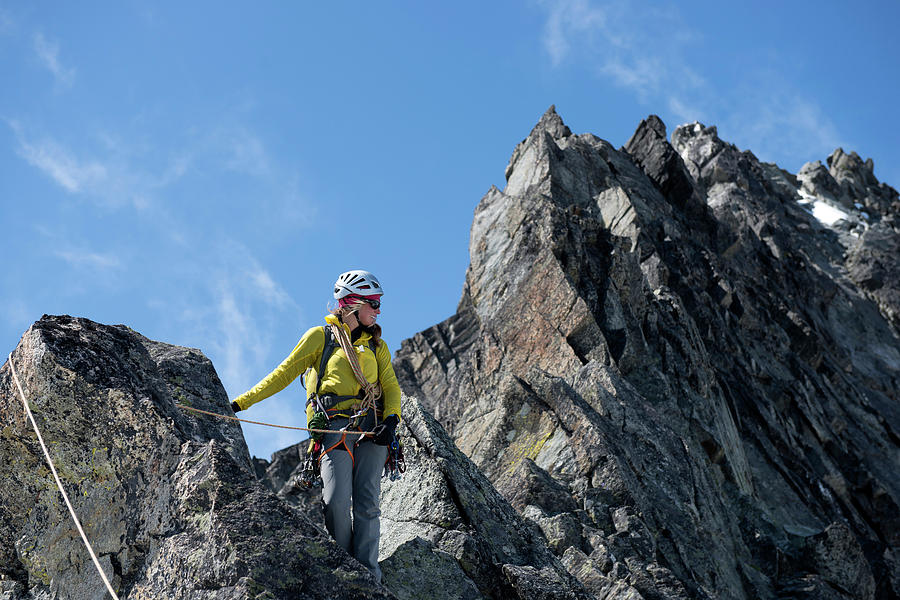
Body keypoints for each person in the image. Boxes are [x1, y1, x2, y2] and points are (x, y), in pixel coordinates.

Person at [230, 269, 401, 581]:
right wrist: (241, 403)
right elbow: (282, 374)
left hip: (373, 427)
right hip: (334, 427)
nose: (378, 310)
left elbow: (390, 386)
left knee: (368, 503)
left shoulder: (378, 347)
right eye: (373, 303)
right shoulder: (319, 338)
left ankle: (368, 575)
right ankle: (350, 570)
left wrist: (392, 418)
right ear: (352, 303)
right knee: (336, 501)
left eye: (378, 304)